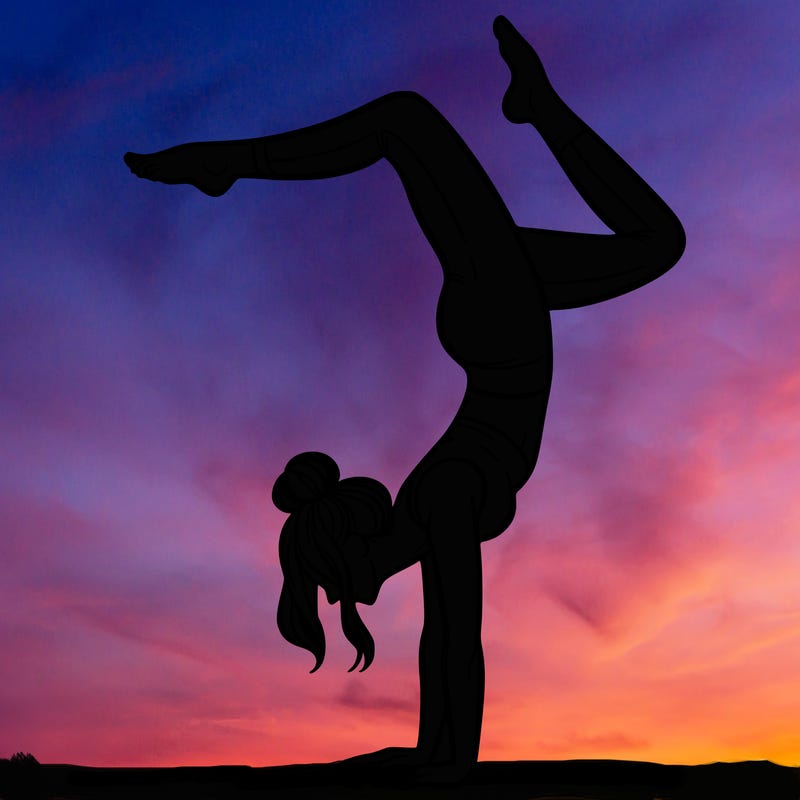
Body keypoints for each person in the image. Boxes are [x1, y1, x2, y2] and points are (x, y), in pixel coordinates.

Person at [125, 16, 685, 783]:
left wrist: (443, 761)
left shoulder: (440, 496)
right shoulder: (439, 499)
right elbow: (450, 632)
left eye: (336, 582)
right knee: (656, 244)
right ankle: (538, 106)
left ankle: (228, 162)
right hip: (505, 318)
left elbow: (453, 636)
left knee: (406, 122)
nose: (349, 596)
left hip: (499, 316)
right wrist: (440, 755)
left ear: (358, 547)